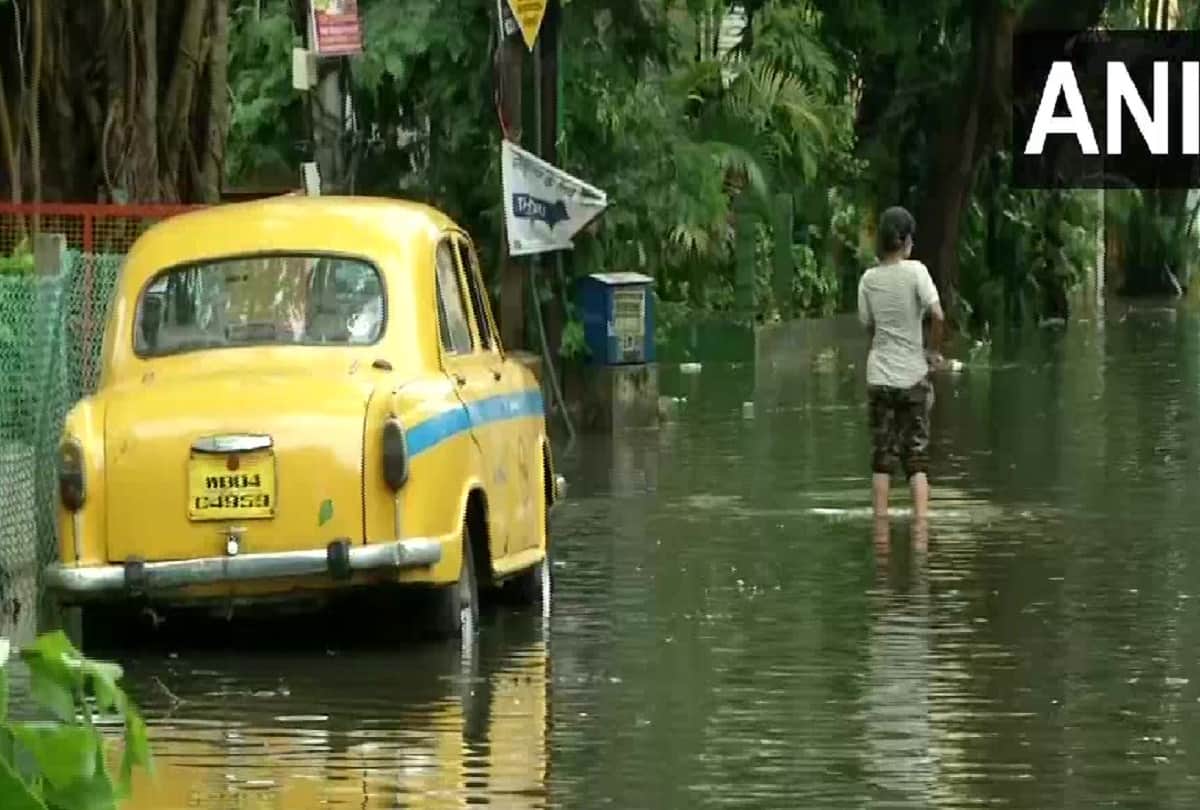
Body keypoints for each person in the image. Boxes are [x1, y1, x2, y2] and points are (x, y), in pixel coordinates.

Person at [857, 206, 944, 522]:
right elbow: (938, 316)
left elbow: (869, 327)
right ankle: (921, 532)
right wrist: (932, 353)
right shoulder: (916, 272)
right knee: (916, 459)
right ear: (906, 240)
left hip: (879, 376)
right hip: (912, 376)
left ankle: (880, 532)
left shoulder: (868, 280)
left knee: (882, 459)